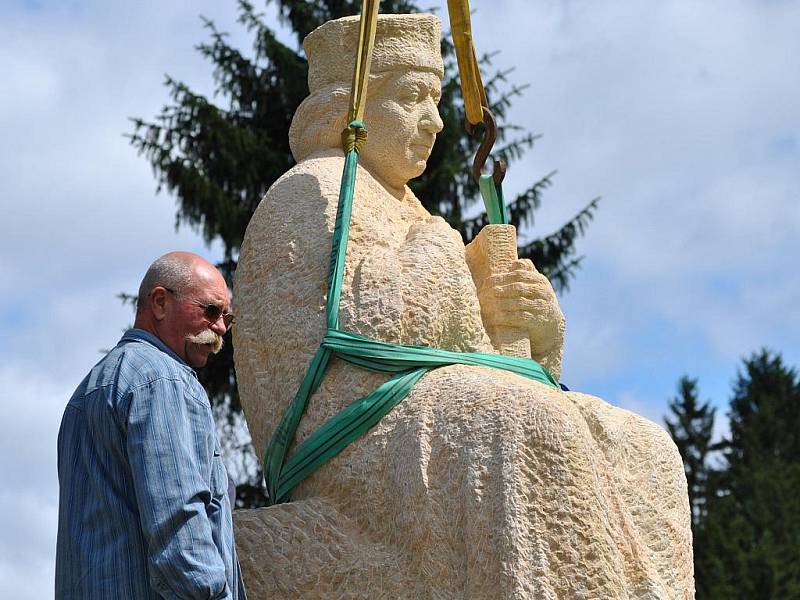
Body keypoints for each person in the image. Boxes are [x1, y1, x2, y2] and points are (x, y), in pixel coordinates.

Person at [233, 13, 694, 600]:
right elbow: (364, 322)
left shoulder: (411, 211)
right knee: (530, 424)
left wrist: (532, 327)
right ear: (349, 108)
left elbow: (476, 348)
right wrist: (461, 271)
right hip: (351, 437)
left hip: (418, 407)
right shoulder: (316, 190)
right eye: (409, 97)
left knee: (644, 447)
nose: (432, 121)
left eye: (436, 98)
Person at [56, 252, 246, 600]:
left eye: (227, 318)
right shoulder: (163, 379)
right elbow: (179, 526)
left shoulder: (87, 392)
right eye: (210, 311)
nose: (220, 327)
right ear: (160, 302)